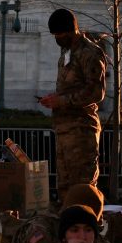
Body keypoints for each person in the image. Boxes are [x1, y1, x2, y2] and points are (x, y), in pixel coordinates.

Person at [37, 10, 106, 198]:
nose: (56, 39)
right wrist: (55, 98)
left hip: (81, 130)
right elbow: (71, 87)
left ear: (71, 30)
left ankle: (89, 225)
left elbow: (96, 92)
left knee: (83, 188)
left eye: (59, 34)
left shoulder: (89, 53)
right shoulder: (67, 51)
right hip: (64, 130)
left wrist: (62, 101)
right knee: (65, 189)